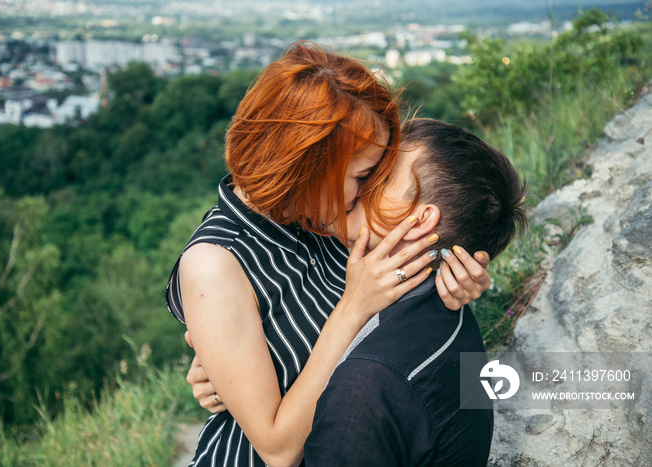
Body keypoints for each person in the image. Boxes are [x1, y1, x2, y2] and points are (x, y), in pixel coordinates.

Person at [166, 42, 491, 467]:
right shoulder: (214, 264)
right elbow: (277, 449)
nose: (367, 191)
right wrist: (352, 309)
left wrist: (460, 271)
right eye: (362, 174)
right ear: (312, 164)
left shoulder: (318, 214)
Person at [303, 118, 528, 466]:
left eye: (376, 177)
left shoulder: (365, 385)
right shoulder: (449, 308)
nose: (352, 186)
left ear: (420, 221)